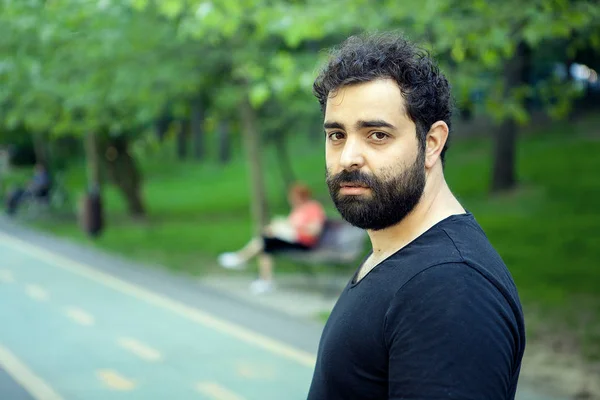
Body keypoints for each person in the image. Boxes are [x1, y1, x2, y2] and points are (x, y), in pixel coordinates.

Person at [307, 33, 525, 399]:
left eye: (377, 134)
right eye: (337, 135)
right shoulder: (398, 253)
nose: (348, 158)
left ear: (433, 142)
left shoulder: (450, 289)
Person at [217, 182, 326, 294]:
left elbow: (315, 230)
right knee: (267, 242)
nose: (291, 200)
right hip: (293, 239)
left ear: (301, 196)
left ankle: (243, 260)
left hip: (305, 243)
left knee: (267, 241)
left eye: (293, 197)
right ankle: (258, 274)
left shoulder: (313, 207)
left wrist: (295, 227)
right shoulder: (298, 209)